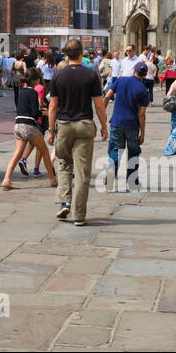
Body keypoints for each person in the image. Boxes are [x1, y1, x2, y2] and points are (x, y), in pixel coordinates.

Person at [46, 40, 108, 225]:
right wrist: (104, 126)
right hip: (84, 124)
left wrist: (51, 131)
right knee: (82, 171)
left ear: (66, 54)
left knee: (64, 163)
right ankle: (79, 216)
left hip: (64, 125)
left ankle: (65, 201)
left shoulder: (58, 75)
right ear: (81, 53)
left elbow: (53, 106)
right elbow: (98, 104)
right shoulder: (91, 75)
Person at [1, 70, 57, 190]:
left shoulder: (22, 92)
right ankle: (53, 180)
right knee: (45, 151)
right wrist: (41, 112)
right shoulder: (33, 93)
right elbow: (34, 113)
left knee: (17, 154)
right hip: (29, 126)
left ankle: (6, 180)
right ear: (36, 80)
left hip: (17, 125)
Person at [105, 62, 150, 191]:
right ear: (145, 75)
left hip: (117, 123)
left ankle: (111, 173)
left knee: (115, 151)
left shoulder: (121, 80)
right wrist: (143, 133)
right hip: (132, 125)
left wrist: (102, 112)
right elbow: (142, 114)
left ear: (134, 70)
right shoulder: (143, 90)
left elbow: (108, 96)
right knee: (133, 152)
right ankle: (132, 182)